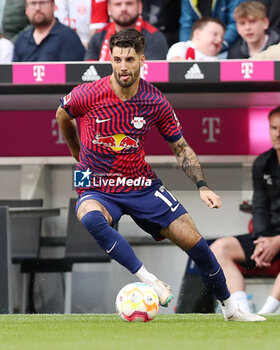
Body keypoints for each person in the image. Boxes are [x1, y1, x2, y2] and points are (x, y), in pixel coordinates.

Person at [56, 28, 265, 322]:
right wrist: (77, 154)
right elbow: (62, 115)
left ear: (142, 59)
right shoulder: (89, 93)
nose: (123, 67)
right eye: (117, 60)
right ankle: (149, 280)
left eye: (129, 59)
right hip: (97, 184)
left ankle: (231, 308)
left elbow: (180, 147)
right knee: (90, 218)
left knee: (197, 244)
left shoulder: (154, 100)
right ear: (111, 61)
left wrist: (202, 185)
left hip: (141, 185)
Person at [211, 106, 280, 314]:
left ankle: (266, 313)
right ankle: (243, 311)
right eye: (274, 128)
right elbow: (259, 206)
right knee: (218, 249)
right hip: (267, 237)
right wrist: (262, 241)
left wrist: (277, 242)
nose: (278, 133)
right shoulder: (263, 162)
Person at [84, 0, 169, 61]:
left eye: (129, 3)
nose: (123, 8)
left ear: (140, 7)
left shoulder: (154, 37)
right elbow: (88, 74)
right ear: (109, 9)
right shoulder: (98, 36)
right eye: (118, 4)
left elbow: (155, 79)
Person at [13, 0, 85, 62]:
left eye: (42, 3)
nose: (38, 8)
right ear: (26, 9)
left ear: (53, 6)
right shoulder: (21, 40)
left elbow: (73, 74)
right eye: (33, 3)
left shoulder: (69, 37)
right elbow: (13, 75)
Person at [179, 0, 247, 53]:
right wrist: (188, 48)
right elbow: (186, 25)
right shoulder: (178, 48)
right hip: (198, 47)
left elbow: (236, 21)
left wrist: (220, 44)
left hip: (228, 47)